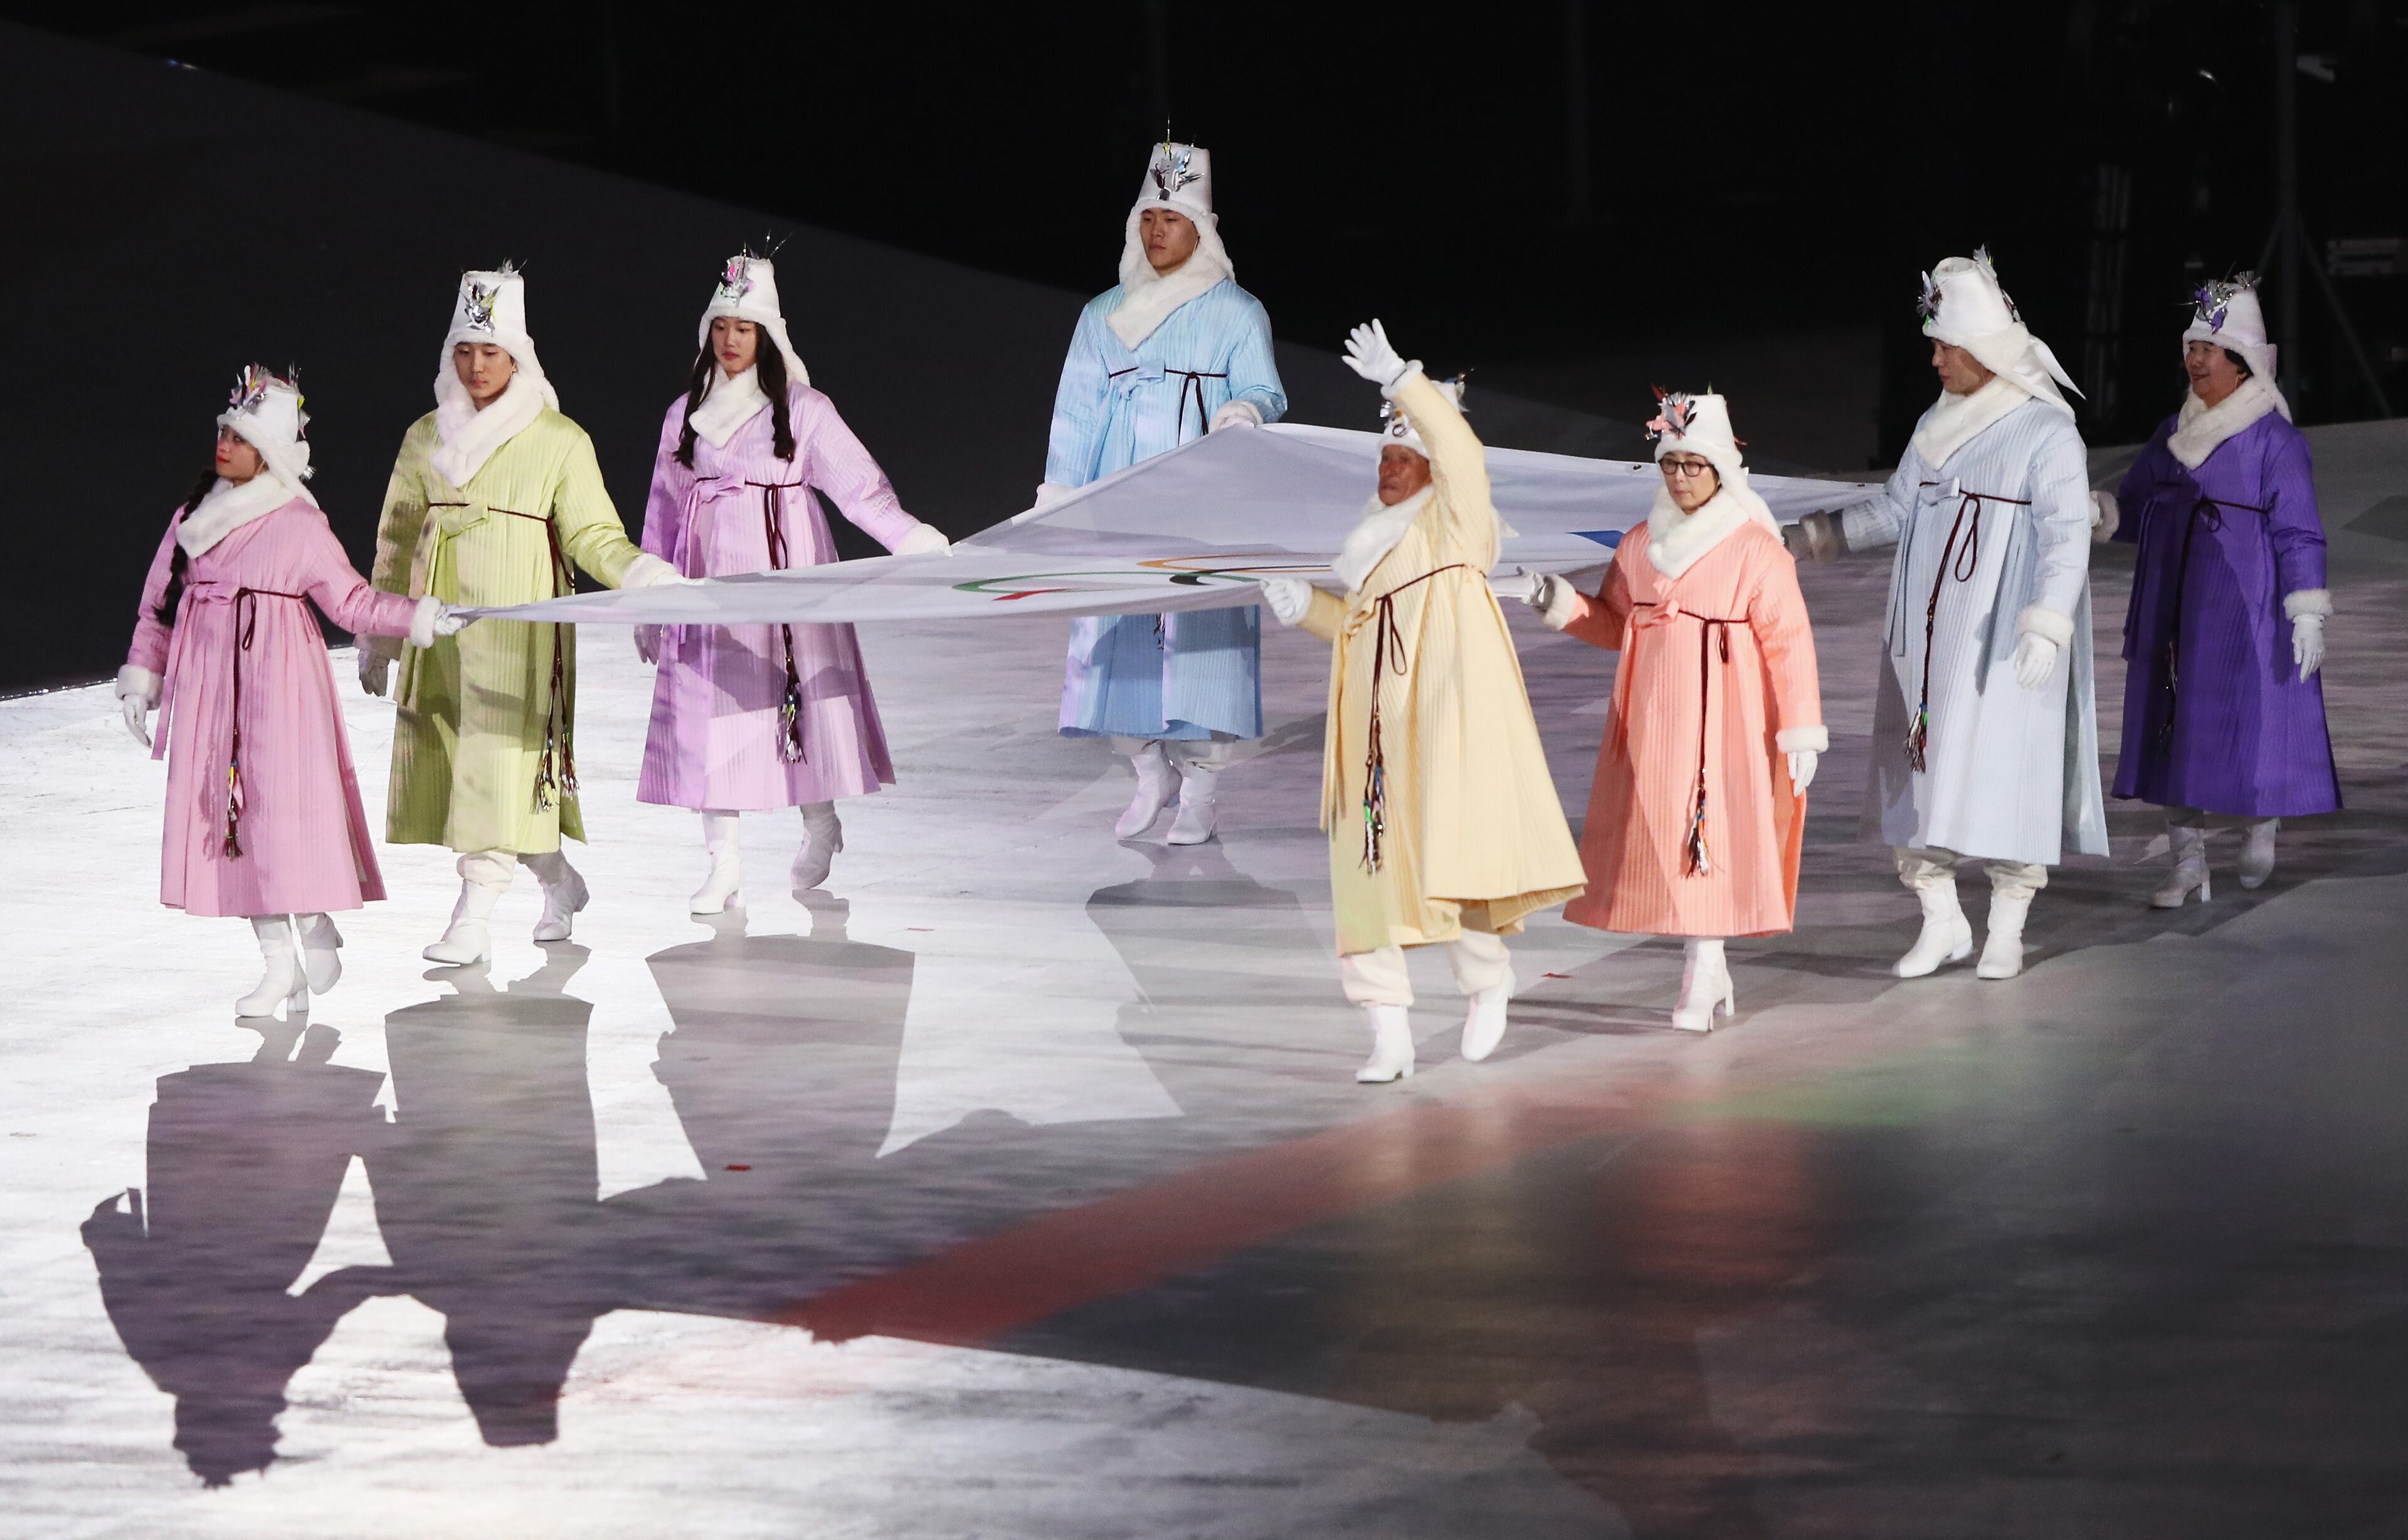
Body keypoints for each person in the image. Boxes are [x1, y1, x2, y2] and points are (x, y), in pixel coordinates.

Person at [1260, 322, 1584, 1083]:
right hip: (1375, 739)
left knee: (1455, 861)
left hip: (1445, 723)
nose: (1391, 468)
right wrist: (1307, 606)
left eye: (1407, 457)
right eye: (1385, 456)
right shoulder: (1372, 547)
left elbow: (1467, 456)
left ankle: (1486, 980)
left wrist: (1404, 383)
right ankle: (1389, 1033)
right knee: (1369, 872)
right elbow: (1365, 631)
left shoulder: (1457, 529)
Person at [1794, 250, 2108, 979]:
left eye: (1945, 347)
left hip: (2000, 634)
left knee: (2005, 770)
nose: (1933, 359)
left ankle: (2007, 925)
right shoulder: (1936, 423)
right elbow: (1897, 508)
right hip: (1929, 640)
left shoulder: (2045, 432)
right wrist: (1819, 536)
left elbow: (2066, 536)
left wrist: (2046, 623)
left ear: (1983, 352)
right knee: (1920, 774)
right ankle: (1941, 919)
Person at [360, 263, 687, 965]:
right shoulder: (425, 435)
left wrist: (641, 571)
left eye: (492, 350)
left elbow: (592, 532)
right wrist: (381, 630)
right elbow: (397, 532)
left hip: (516, 630)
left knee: (498, 759)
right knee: (461, 760)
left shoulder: (558, 438)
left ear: (518, 354)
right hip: (440, 624)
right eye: (466, 350)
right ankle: (559, 880)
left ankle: (474, 914)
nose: (478, 365)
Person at [119, 367, 463, 1016]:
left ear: (271, 452)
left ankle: (312, 921)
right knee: (233, 825)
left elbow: (352, 599)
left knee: (278, 814)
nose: (225, 443)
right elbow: (159, 602)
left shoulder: (298, 523)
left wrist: (415, 616)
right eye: (224, 431)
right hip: (211, 688)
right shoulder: (193, 516)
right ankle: (280, 964)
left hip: (277, 682)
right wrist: (146, 672)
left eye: (242, 437)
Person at [635, 250, 950, 910]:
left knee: (796, 705)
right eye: (721, 327)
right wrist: (649, 595)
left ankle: (820, 822)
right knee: (708, 717)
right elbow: (664, 507)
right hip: (706, 585)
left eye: (743, 329)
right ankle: (724, 862)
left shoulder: (803, 409)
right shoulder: (681, 414)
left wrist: (909, 537)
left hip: (786, 571)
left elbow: (859, 486)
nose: (729, 341)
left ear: (767, 336)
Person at [1524, 391, 1824, 1031]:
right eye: (1672, 464)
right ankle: (1708, 968)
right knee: (1664, 840)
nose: (1682, 477)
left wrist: (1800, 729)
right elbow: (1613, 623)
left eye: (1694, 465)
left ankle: (1702, 967)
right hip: (1657, 715)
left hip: (1726, 716)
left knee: (1708, 836)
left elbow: (1789, 640)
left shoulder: (1753, 548)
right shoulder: (1641, 544)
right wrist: (1552, 599)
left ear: (1720, 468)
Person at [1042, 136, 1286, 845]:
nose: (1156, 232)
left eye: (1171, 219)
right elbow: (1076, 411)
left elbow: (1264, 387)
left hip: (1200, 492)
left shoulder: (1237, 311)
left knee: (1202, 635)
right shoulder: (1102, 314)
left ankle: (1202, 786)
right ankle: (1148, 768)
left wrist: (1244, 410)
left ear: (1201, 229)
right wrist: (1061, 494)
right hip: (1121, 488)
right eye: (1148, 217)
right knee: (1117, 631)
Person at [2101, 272, 2338, 901]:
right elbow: (2133, 502)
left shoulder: (2273, 439)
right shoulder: (2172, 431)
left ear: (2242, 362)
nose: (2195, 360)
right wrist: (2097, 513)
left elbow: (2301, 531)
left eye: (2209, 348)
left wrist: (2306, 609)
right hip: (2174, 600)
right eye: (2191, 347)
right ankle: (2188, 862)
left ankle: (2261, 822)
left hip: (2244, 606)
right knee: (2172, 723)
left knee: (2244, 717)